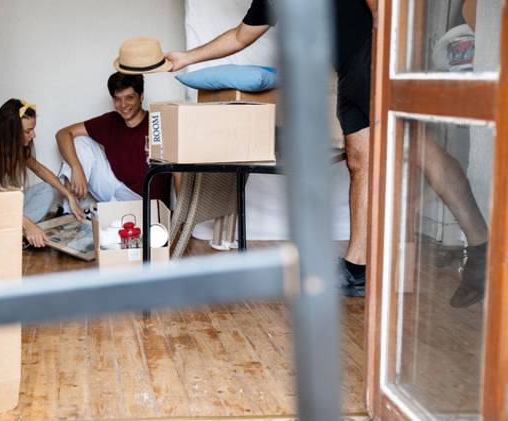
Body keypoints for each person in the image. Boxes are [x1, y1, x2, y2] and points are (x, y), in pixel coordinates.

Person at [166, 0, 488, 305]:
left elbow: (380, 8)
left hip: (375, 55)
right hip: (349, 70)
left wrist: (386, 55)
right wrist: (186, 57)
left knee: (418, 147)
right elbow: (240, 36)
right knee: (359, 160)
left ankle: (481, 248)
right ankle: (357, 269)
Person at [56, 72, 172, 207]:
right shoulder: (111, 121)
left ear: (141, 96)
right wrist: (76, 167)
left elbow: (178, 170)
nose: (123, 105)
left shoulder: (157, 124)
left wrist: (180, 212)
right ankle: (70, 208)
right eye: (117, 99)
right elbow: (63, 134)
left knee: (109, 215)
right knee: (80, 141)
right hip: (117, 188)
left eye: (129, 98)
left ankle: (105, 213)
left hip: (147, 201)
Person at [0, 99, 85, 248]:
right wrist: (28, 224)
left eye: (33, 129)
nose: (33, 135)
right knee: (17, 211)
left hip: (3, 208)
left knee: (47, 189)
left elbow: (39, 169)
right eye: (28, 131)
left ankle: (17, 230)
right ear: (11, 132)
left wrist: (69, 195)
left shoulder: (14, 146)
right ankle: (20, 231)